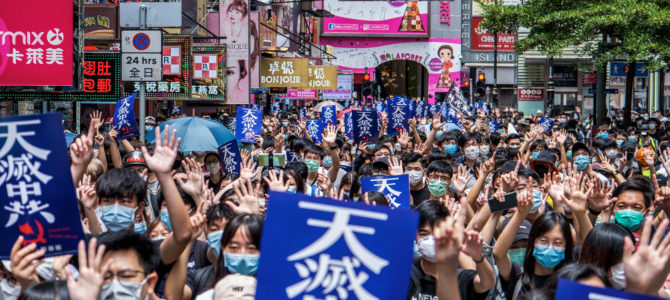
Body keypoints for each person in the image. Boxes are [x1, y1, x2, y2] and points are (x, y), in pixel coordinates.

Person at [408, 200, 494, 300]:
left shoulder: (461, 277)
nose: (431, 239)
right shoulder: (407, 274)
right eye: (424, 234)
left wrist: (479, 258)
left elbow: (487, 283)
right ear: (415, 236)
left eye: (438, 233)